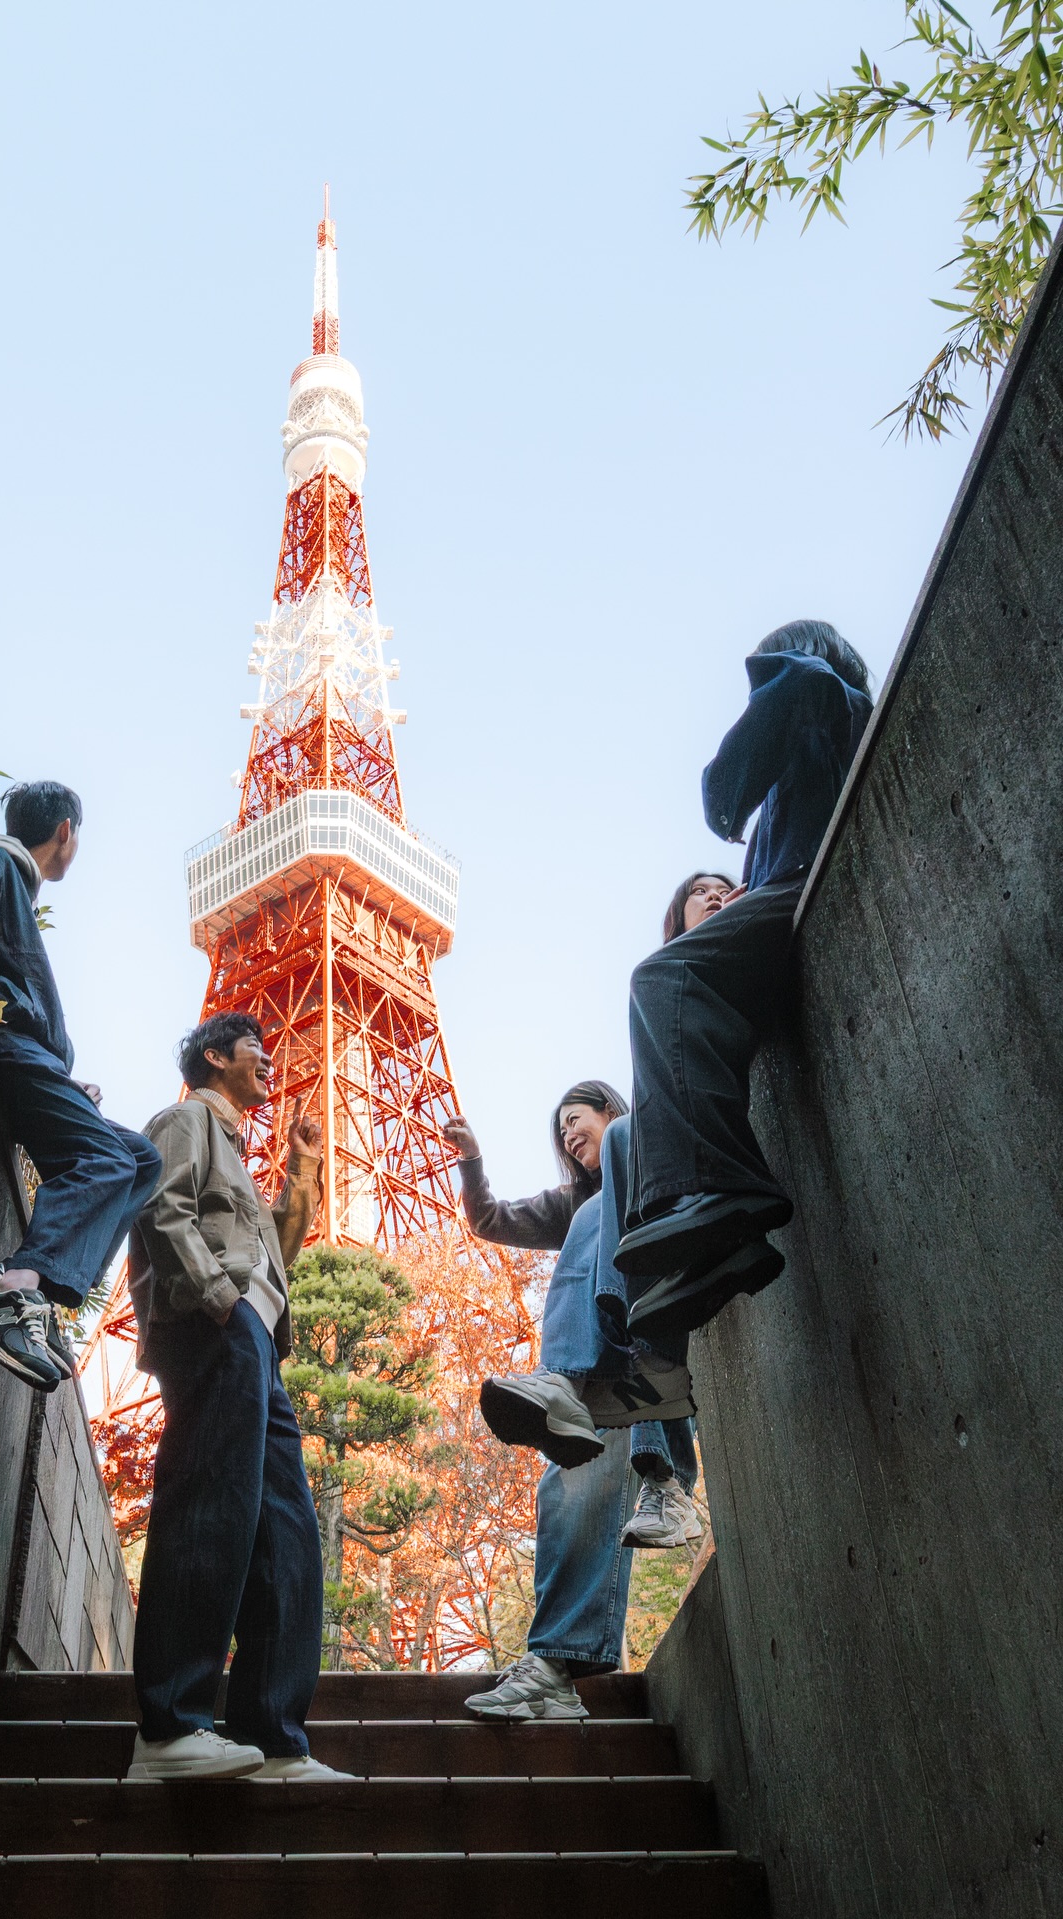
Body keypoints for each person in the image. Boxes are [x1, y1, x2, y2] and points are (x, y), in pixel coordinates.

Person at [445, 874, 735, 1720]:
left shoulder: (655, 1139)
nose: (574, 1135)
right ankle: (555, 1668)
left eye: (584, 1118)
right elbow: (495, 1217)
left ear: (614, 1106)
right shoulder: (576, 1208)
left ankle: (654, 1461)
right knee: (568, 1483)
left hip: (668, 1300)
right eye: (565, 1133)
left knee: (613, 1198)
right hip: (617, 1359)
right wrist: (470, 1159)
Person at [616, 622, 874, 1339]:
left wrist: (780, 671)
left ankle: (724, 1189)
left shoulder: (832, 698)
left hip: (806, 889)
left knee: (660, 976)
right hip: (777, 911)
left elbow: (803, 682)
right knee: (664, 990)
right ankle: (715, 1239)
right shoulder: (780, 801)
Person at [125, 1012, 345, 1783]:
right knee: (211, 1501)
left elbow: (274, 1258)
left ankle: (274, 1737)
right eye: (256, 1045)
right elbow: (160, 1204)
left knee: (288, 1531)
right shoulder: (187, 1117)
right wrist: (217, 1298)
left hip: (258, 1338)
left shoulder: (245, 1159)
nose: (269, 1057)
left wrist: (303, 1172)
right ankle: (169, 1725)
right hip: (215, 1324)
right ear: (215, 1056)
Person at [0, 781, 162, 1391]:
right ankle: (13, 1286)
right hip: (14, 1053)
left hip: (40, 1066)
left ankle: (41, 1295)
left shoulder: (15, 880)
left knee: (142, 1160)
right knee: (106, 1159)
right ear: (65, 832)